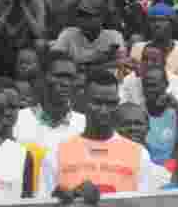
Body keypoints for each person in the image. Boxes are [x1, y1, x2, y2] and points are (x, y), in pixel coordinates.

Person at [39, 70, 153, 199]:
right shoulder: (56, 153)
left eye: (111, 103)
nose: (104, 110)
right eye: (97, 103)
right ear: (83, 101)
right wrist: (64, 198)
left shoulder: (139, 154)